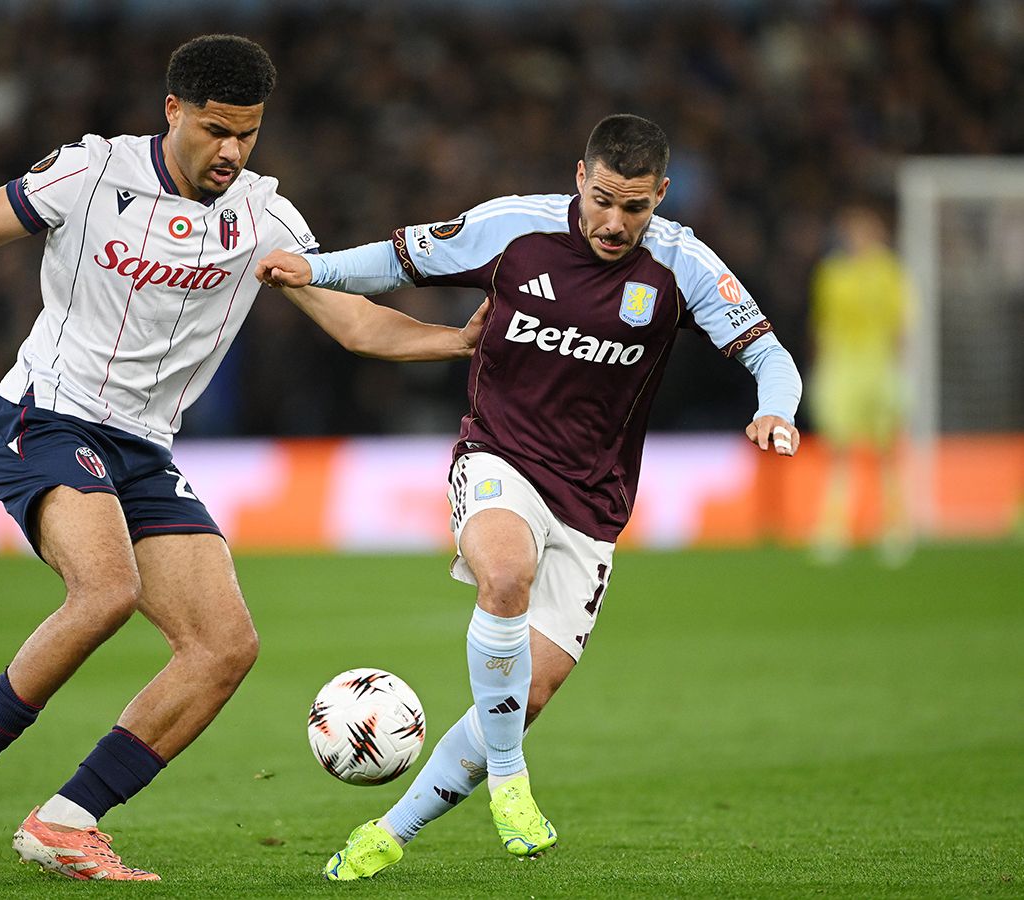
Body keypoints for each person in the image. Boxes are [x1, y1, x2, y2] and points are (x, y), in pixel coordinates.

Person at [0, 34, 485, 882]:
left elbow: (353, 321)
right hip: (47, 417)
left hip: (142, 448)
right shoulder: (90, 172)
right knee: (106, 590)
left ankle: (67, 821)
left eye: (248, 133)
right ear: (172, 111)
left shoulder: (265, 219)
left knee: (223, 646)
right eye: (215, 129)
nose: (232, 151)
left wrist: (455, 341)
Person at [257, 113, 803, 881]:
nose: (613, 223)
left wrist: (776, 410)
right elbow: (396, 260)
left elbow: (770, 355)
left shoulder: (683, 265)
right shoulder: (513, 229)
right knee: (505, 574)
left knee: (526, 695)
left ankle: (390, 832)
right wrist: (312, 268)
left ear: (660, 195)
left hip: (593, 505)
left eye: (634, 207)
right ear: (580, 178)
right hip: (499, 455)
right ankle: (510, 780)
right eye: (602, 200)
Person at [808, 204, 913, 565]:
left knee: (886, 452)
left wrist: (898, 372)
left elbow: (901, 326)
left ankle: (895, 529)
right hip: (841, 371)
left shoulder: (889, 272)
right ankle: (834, 529)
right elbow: (820, 324)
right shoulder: (832, 273)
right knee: (839, 452)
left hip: (879, 369)